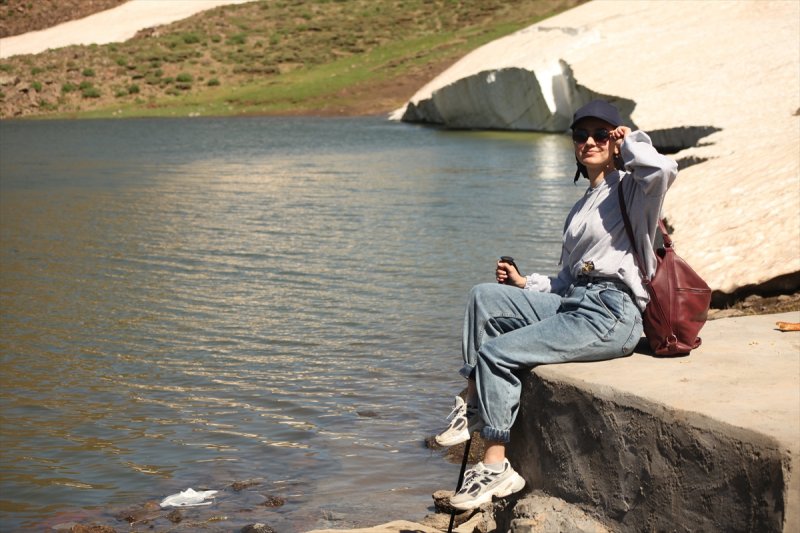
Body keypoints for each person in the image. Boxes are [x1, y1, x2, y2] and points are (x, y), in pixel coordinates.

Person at [435, 100, 678, 511]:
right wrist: (523, 282)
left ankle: (496, 467)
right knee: (485, 297)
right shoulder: (580, 207)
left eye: (601, 134)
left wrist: (631, 140)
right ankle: (471, 400)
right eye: (581, 135)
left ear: (615, 140)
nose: (589, 142)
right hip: (577, 303)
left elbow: (663, 171)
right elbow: (567, 281)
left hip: (612, 312)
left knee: (497, 353)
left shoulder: (634, 191)